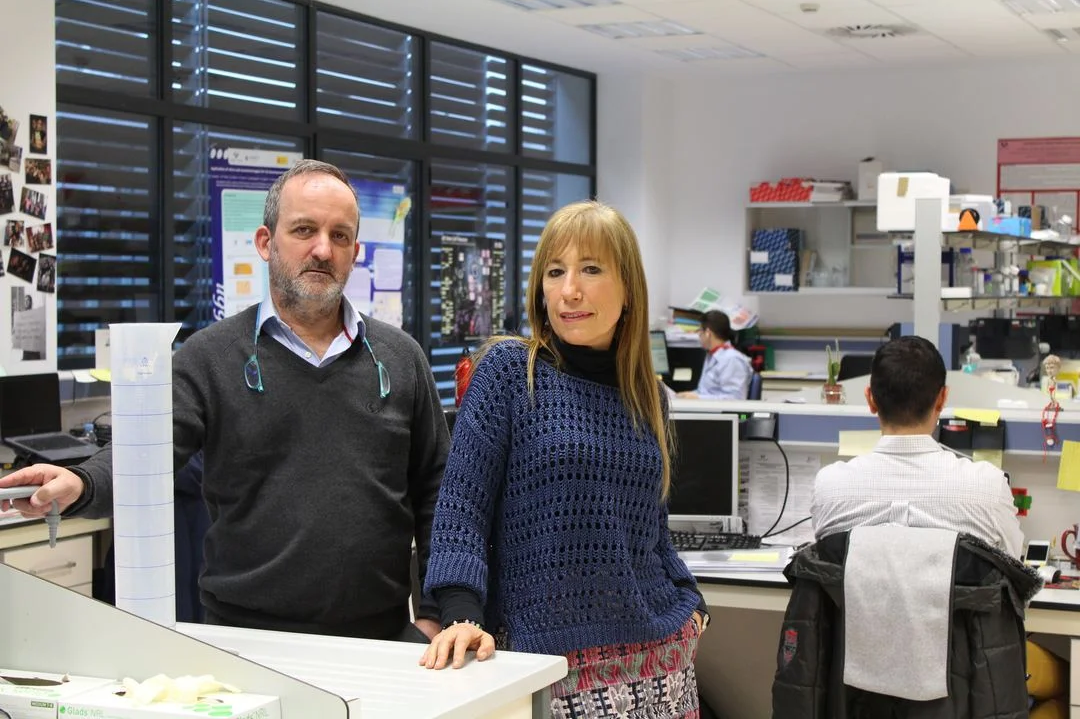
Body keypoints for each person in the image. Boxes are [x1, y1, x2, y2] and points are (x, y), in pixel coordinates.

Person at [0, 159, 450, 641]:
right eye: (304, 230)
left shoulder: (401, 358)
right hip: (246, 639)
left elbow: (439, 493)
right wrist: (81, 481)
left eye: (339, 236)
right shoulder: (209, 357)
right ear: (265, 242)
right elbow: (145, 450)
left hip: (381, 640)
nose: (323, 249)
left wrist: (434, 612)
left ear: (355, 252)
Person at [419, 201, 707, 718]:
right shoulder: (510, 372)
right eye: (555, 272)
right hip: (547, 663)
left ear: (629, 289)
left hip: (659, 661)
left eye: (591, 269)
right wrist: (461, 613)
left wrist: (690, 596)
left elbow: (649, 529)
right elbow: (461, 509)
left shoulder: (648, 396)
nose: (569, 290)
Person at [812, 335, 1023, 558]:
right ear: (942, 399)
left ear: (870, 399)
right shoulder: (988, 488)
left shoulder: (830, 488)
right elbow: (1013, 565)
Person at [676, 310, 752, 400]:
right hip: (706, 407)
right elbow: (705, 391)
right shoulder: (712, 355)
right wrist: (688, 395)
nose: (699, 335)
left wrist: (698, 398)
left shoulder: (732, 360)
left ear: (708, 333)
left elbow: (735, 399)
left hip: (718, 409)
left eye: (700, 331)